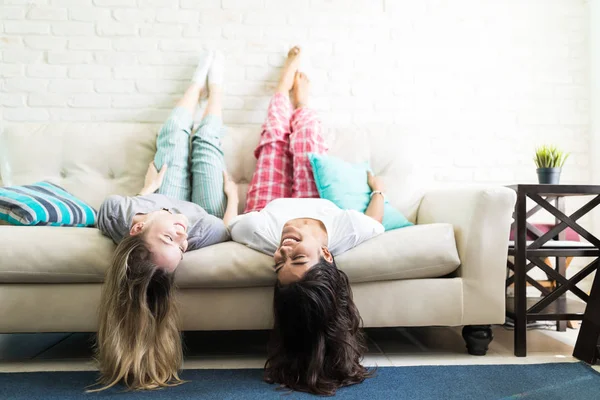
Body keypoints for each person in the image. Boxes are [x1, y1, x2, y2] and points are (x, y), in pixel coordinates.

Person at [228, 47, 384, 395]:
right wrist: (379, 191)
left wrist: (232, 197)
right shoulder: (347, 231)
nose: (284, 250)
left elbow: (231, 224)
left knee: (272, 140)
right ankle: (303, 104)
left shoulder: (258, 232)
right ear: (327, 254)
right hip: (317, 202)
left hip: (267, 205)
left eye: (279, 262)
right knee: (306, 142)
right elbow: (376, 223)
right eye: (297, 257)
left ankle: (281, 92)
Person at [92, 50, 239, 391]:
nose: (182, 237)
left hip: (158, 197)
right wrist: (233, 198)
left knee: (173, 135)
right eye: (183, 249)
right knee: (205, 142)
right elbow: (228, 228)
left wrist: (149, 189)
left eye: (171, 240)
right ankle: (217, 92)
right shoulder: (200, 231)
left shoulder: (116, 212)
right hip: (203, 208)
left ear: (136, 228)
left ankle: (196, 86)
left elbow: (135, 229)